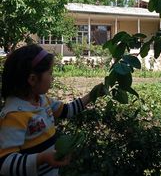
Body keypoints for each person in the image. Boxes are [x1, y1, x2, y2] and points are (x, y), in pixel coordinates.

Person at [0, 44, 105, 176]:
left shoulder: (43, 100)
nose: (52, 77)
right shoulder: (14, 115)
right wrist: (41, 159)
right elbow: (5, 163)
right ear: (32, 79)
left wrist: (91, 95)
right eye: (50, 73)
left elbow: (67, 110)